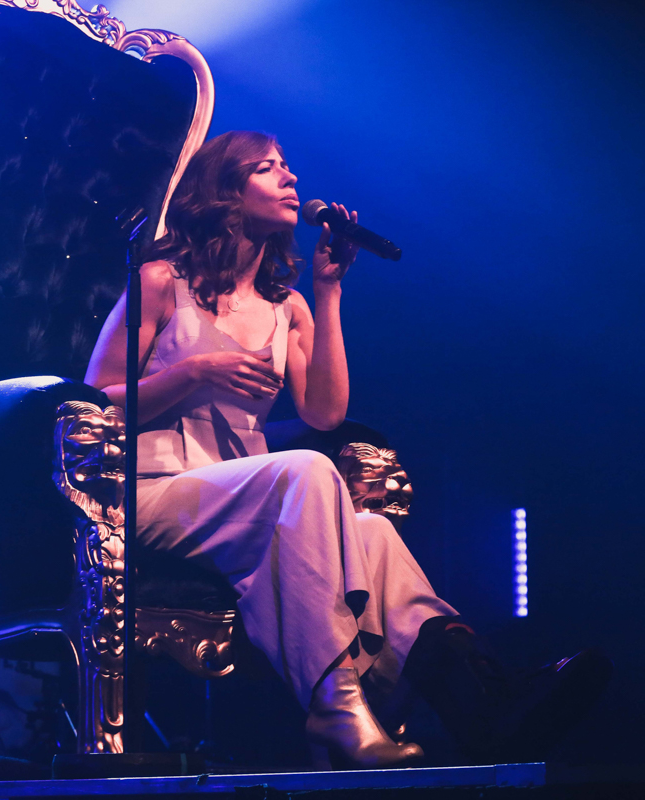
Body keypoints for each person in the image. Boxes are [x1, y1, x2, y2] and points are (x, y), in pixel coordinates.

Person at [86, 130, 609, 769]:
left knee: (374, 534)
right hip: (151, 492)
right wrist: (194, 372)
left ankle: (484, 701)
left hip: (243, 499)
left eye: (288, 167)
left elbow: (325, 412)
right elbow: (93, 402)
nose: (290, 178)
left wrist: (329, 293)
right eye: (267, 168)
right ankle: (336, 706)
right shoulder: (162, 281)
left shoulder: (287, 308)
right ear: (227, 191)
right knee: (305, 471)